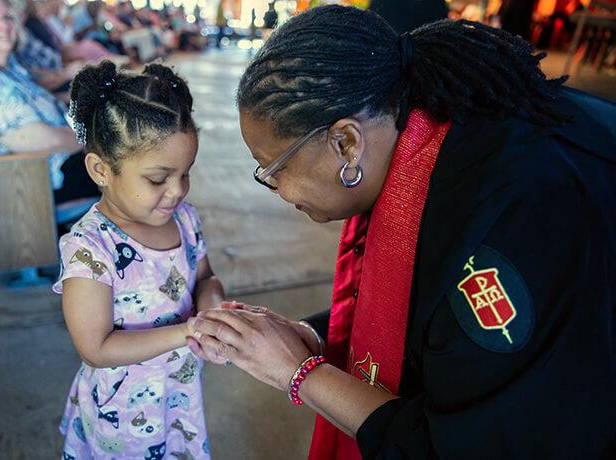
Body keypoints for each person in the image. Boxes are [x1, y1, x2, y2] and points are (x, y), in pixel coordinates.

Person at [187, 5, 616, 459]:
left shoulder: (499, 224)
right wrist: (316, 336)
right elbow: (416, 313)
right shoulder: (422, 137)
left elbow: (464, 444)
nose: (275, 188)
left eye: (275, 168)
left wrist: (299, 373)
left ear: (346, 143)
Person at [53, 60, 224, 459]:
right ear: (100, 170)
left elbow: (205, 276)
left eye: (186, 173)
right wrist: (188, 331)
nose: (177, 191)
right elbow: (96, 347)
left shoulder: (183, 219)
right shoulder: (90, 248)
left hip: (177, 395)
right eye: (157, 179)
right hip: (123, 413)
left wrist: (214, 309)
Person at [0, 0, 99, 205]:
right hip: (36, 181)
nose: (4, 25)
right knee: (129, 160)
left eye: (7, 17)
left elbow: (33, 103)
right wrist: (93, 140)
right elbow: (38, 138)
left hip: (54, 161)